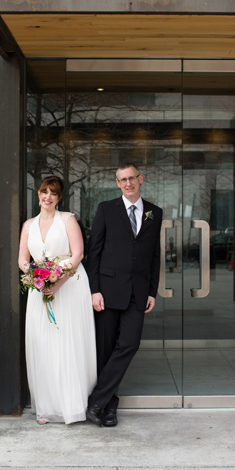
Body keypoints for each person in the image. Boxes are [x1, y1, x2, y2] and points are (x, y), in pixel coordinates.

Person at [85, 163, 162, 427]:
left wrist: (152, 290)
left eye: (132, 178)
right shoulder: (106, 209)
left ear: (140, 179)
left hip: (137, 292)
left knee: (129, 344)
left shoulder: (154, 212)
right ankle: (108, 407)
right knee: (105, 350)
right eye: (122, 180)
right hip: (106, 292)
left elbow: (154, 254)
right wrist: (94, 289)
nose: (128, 183)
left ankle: (96, 400)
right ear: (117, 183)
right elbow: (94, 251)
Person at [18, 176, 97, 424]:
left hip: (70, 286)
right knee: (42, 344)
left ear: (59, 198)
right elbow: (22, 259)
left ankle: (71, 405)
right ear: (38, 194)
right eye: (44, 191)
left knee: (67, 342)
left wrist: (57, 281)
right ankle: (46, 406)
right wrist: (36, 278)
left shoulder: (68, 220)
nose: (48, 196)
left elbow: (78, 255)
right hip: (39, 289)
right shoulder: (28, 225)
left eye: (53, 193)